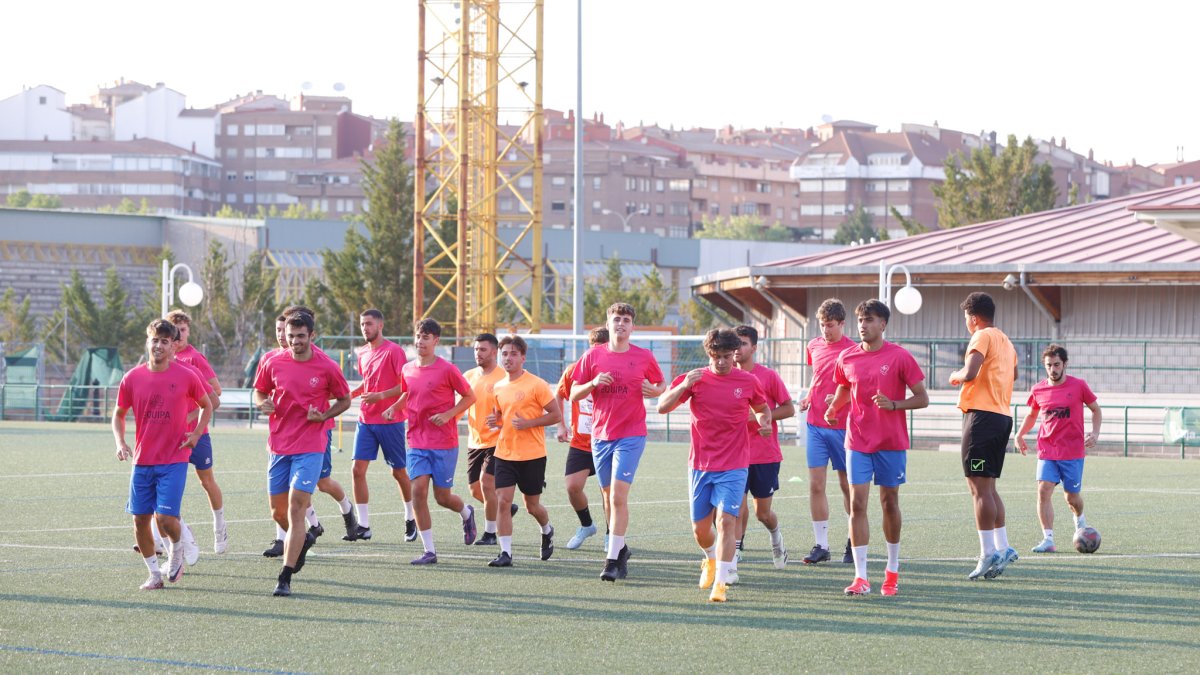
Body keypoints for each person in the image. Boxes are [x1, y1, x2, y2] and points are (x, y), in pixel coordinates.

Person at [658, 329, 771, 602]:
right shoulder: (694, 379)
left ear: (735, 354)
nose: (721, 362)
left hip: (734, 464)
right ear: (709, 355)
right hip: (700, 464)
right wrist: (683, 386)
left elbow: (762, 407)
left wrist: (764, 421)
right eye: (715, 356)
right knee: (700, 529)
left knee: (726, 521)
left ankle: (720, 582)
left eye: (726, 356)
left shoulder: (747, 380)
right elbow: (662, 407)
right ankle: (710, 558)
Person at [825, 300, 928, 597]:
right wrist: (834, 407)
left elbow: (922, 398)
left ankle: (892, 572)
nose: (862, 325)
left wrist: (895, 404)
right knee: (857, 504)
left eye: (869, 320)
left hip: (890, 443)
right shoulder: (846, 357)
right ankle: (861, 577)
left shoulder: (900, 357)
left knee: (889, 503)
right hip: (856, 441)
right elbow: (845, 387)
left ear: (883, 324)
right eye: (860, 319)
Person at [253, 311, 351, 597]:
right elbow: (259, 392)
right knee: (278, 511)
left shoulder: (327, 366)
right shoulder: (271, 361)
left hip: (311, 444)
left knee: (297, 507)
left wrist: (324, 416)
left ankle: (284, 576)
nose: (293, 341)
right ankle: (304, 540)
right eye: (290, 336)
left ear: (312, 336)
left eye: (300, 336)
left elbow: (344, 399)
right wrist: (263, 404)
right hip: (279, 445)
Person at [112, 319, 212, 590]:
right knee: (140, 520)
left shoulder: (187, 375)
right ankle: (154, 575)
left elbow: (207, 404)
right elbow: (119, 414)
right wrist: (121, 442)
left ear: (172, 347)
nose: (158, 345)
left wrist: (196, 434)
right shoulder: (132, 377)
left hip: (174, 459)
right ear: (148, 342)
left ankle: (177, 549)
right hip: (142, 461)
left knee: (166, 518)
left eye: (164, 342)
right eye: (154, 340)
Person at [571, 303, 666, 582]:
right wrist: (593, 384)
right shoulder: (592, 356)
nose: (621, 324)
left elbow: (661, 384)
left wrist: (655, 390)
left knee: (617, 497)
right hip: (600, 436)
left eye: (626, 320)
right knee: (607, 497)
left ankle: (611, 560)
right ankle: (621, 549)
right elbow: (574, 393)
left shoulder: (644, 356)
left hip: (631, 434)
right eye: (616, 319)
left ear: (632, 326)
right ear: (608, 323)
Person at [385, 318, 478, 565]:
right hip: (416, 440)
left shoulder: (447, 369)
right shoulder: (407, 368)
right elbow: (407, 393)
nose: (420, 341)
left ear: (436, 341)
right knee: (418, 492)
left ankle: (466, 512)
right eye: (418, 336)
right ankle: (429, 551)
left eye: (426, 337)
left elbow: (470, 396)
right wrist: (395, 407)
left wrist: (449, 415)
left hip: (444, 442)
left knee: (443, 497)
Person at [949, 292, 1019, 580]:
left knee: (978, 490)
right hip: (1001, 416)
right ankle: (1003, 547)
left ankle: (987, 553)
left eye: (966, 317)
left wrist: (955, 375)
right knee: (988, 489)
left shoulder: (981, 336)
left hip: (982, 418)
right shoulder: (1006, 341)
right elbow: (1012, 373)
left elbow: (970, 371)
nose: (966, 322)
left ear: (973, 317)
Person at [1015, 344, 1102, 553]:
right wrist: (1019, 434)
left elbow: (1095, 410)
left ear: (1065, 364)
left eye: (1056, 365)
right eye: (1048, 365)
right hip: (1047, 450)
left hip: (1072, 451)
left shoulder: (1079, 385)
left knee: (1071, 497)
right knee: (1043, 490)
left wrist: (1095, 433)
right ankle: (1048, 539)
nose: (1052, 369)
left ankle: (1080, 520)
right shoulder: (1038, 389)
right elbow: (1032, 415)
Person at [485, 335, 562, 567]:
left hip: (533, 455)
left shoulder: (536, 384)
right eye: (505, 354)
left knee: (531, 506)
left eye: (513, 354)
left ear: (523, 358)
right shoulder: (497, 386)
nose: (508, 358)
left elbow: (556, 415)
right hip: (504, 453)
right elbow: (501, 416)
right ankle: (505, 553)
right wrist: (495, 422)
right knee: (503, 501)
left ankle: (547, 530)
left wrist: (528, 423)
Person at [346, 309, 416, 542]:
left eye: (369, 324)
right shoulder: (362, 352)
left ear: (380, 325)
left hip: (390, 421)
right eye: (362, 324)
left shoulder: (394, 351)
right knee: (357, 470)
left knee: (398, 472)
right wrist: (348, 394)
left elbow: (405, 386)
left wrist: (381, 397)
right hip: (366, 420)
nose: (365, 328)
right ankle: (363, 525)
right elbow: (367, 383)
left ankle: (410, 517)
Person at [731, 324, 794, 575]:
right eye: (734, 343)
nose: (737, 348)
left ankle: (776, 539)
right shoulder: (724, 375)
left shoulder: (767, 376)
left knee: (763, 513)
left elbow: (789, 408)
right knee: (735, 507)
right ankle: (732, 557)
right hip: (734, 455)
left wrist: (763, 419)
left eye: (743, 343)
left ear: (754, 348)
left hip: (764, 455)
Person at [797, 299, 856, 565]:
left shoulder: (854, 350)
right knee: (816, 485)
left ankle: (854, 540)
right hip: (815, 425)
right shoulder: (813, 345)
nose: (825, 330)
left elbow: (859, 387)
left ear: (842, 323)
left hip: (843, 427)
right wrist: (810, 394)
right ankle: (821, 545)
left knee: (848, 486)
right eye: (822, 325)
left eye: (830, 325)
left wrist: (842, 397)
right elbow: (816, 374)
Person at [165, 310, 229, 554]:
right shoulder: (162, 359)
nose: (179, 334)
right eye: (174, 329)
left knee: (206, 481)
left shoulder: (194, 358)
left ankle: (220, 525)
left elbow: (216, 392)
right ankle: (170, 536)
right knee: (169, 484)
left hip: (197, 433)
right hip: (172, 436)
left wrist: (191, 416)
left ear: (188, 331)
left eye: (182, 330)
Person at [555, 326, 608, 550]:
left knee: (609, 492)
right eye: (592, 349)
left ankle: (611, 534)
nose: (595, 354)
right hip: (581, 443)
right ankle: (587, 525)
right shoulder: (575, 369)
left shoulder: (614, 370)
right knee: (572, 487)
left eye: (600, 349)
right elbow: (558, 395)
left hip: (608, 441)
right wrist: (561, 425)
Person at [462, 333, 510, 546]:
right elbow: (460, 405)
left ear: (494, 351)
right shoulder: (469, 376)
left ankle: (490, 533)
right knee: (475, 490)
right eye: (475, 349)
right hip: (475, 441)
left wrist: (501, 419)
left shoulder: (504, 377)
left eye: (482, 349)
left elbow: (512, 408)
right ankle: (502, 507)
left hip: (498, 441)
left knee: (486, 483)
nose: (478, 353)